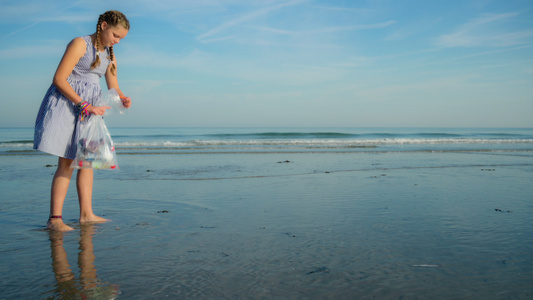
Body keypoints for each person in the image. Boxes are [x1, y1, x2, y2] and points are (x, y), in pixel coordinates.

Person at [34, 10, 131, 231]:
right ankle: (55, 219)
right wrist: (84, 105)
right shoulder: (80, 43)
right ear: (104, 25)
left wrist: (122, 99)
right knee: (67, 161)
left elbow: (113, 86)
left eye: (121, 39)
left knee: (88, 161)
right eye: (116, 36)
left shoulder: (110, 55)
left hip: (92, 111)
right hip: (69, 105)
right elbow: (59, 78)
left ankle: (86, 214)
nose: (117, 41)